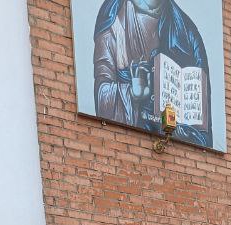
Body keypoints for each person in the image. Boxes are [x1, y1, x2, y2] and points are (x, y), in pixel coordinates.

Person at [91, 0, 214, 149]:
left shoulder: (186, 31)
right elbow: (102, 89)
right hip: (127, 142)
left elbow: (200, 125)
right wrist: (131, 93)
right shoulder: (114, 21)